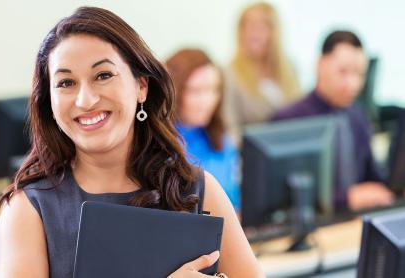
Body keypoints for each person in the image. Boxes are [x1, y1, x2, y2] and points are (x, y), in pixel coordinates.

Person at [0, 7, 263, 278]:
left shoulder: (196, 188)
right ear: (49, 103)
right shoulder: (28, 208)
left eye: (103, 76)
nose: (85, 100)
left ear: (141, 86)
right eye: (66, 83)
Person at [271, 30, 394, 211]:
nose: (352, 83)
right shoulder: (288, 120)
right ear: (320, 65)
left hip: (355, 221)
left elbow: (373, 176)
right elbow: (283, 195)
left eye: (359, 74)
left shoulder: (358, 117)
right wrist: (346, 198)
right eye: (343, 72)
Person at [166, 49, 241, 212]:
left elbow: (236, 203)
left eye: (214, 90)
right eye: (196, 91)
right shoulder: (160, 145)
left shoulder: (222, 141)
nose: (207, 101)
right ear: (174, 91)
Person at [224, 2, 300, 139]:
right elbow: (230, 128)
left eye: (263, 25)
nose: (254, 32)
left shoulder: (290, 68)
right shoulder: (229, 74)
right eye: (248, 25)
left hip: (291, 149)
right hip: (252, 155)